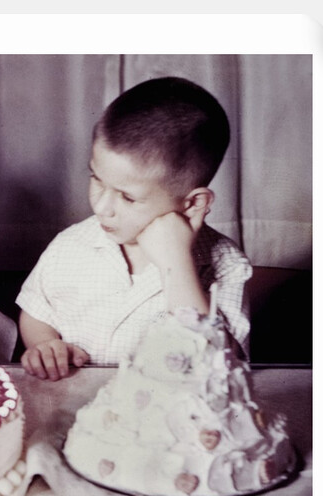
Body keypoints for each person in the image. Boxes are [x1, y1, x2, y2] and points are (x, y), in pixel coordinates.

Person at [16, 76, 251, 381]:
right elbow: (36, 312)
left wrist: (176, 264)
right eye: (97, 179)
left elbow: (217, 369)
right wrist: (46, 344)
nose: (101, 207)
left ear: (192, 205)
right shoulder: (71, 244)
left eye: (128, 197)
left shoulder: (227, 265)